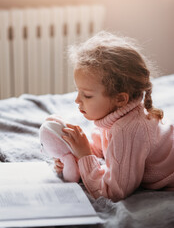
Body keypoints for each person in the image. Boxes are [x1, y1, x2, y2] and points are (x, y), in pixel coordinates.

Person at [54, 31, 174, 202]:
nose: (77, 100)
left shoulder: (127, 131)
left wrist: (84, 157)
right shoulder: (116, 114)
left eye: (87, 95)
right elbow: (101, 148)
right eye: (77, 91)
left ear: (120, 99)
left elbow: (113, 191)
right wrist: (73, 157)